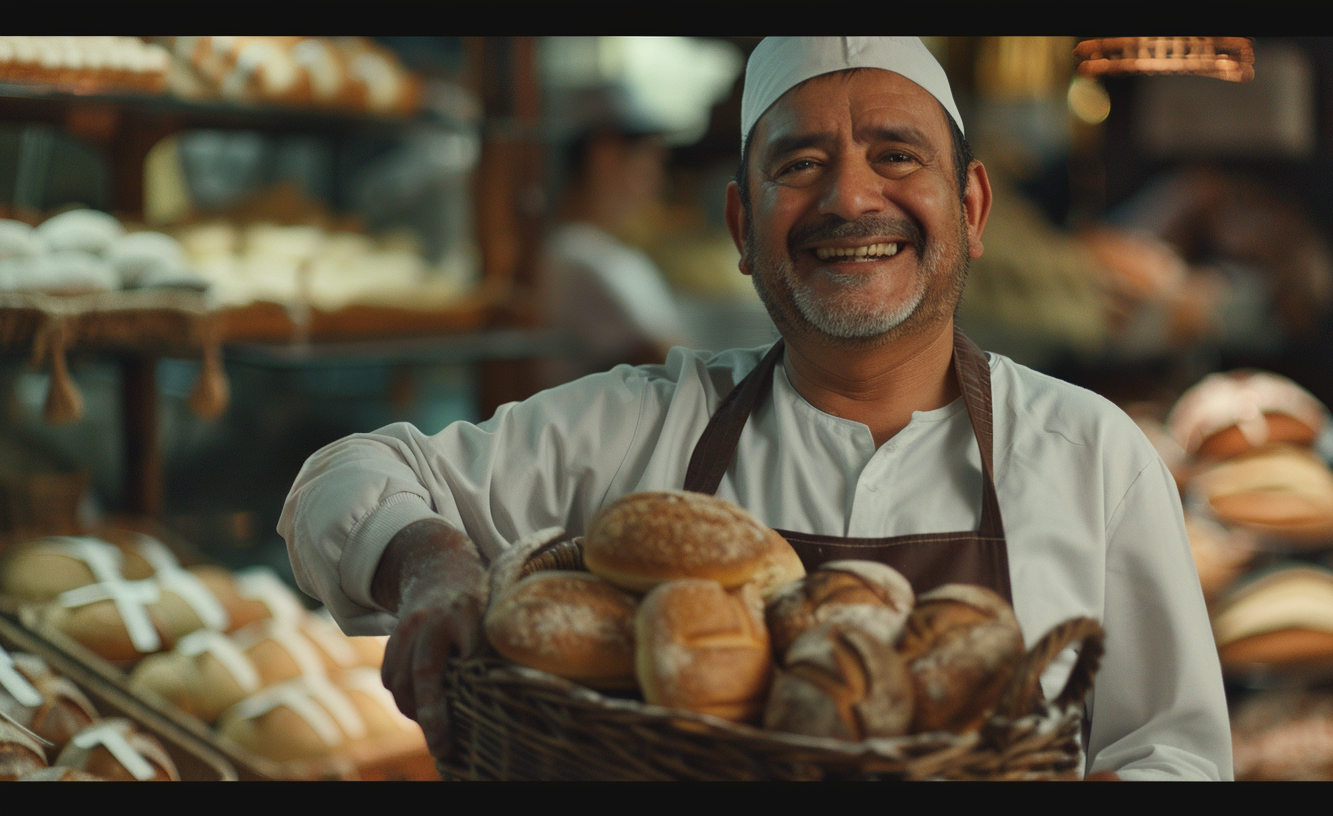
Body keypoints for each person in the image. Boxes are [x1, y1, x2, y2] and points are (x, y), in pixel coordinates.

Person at [279, 37, 1233, 780]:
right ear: (743, 227)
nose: (851, 197)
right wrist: (434, 564)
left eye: (897, 156)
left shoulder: (1089, 455)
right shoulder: (641, 427)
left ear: (973, 211)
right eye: (801, 164)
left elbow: (1178, 756)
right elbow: (346, 476)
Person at [538, 86, 692, 386]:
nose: (656, 182)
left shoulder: (602, 252)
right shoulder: (578, 257)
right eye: (649, 161)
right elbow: (676, 370)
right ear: (605, 153)